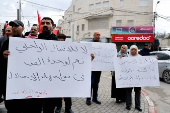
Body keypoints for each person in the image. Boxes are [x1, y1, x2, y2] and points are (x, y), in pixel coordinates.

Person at [0, 20, 42, 113]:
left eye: (17, 26)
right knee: (12, 108)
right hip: (10, 83)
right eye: (13, 26)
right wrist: (3, 56)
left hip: (24, 82)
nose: (14, 28)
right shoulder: (6, 43)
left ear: (23, 28)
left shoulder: (29, 43)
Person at [55, 33, 73, 113]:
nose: (60, 42)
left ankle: (68, 108)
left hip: (67, 75)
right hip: (56, 75)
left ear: (65, 41)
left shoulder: (70, 50)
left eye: (62, 41)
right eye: (58, 41)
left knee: (67, 92)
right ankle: (58, 107)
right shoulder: (53, 50)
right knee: (58, 92)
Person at [86, 31, 102, 106]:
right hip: (91, 68)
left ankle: (95, 98)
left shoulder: (102, 44)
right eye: (97, 35)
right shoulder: (89, 44)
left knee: (96, 84)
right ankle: (88, 99)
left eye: (99, 35)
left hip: (98, 68)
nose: (98, 36)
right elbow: (85, 53)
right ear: (93, 36)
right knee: (90, 83)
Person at [125, 45, 142, 111]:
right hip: (129, 78)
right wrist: (120, 58)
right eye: (132, 49)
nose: (133, 51)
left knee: (137, 92)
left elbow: (147, 63)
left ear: (137, 50)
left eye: (135, 50)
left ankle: (137, 105)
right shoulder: (126, 57)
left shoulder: (140, 57)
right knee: (128, 92)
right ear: (130, 50)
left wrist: (154, 59)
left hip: (137, 78)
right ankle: (128, 105)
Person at [0, 26, 12, 103]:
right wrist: (3, 55)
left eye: (9, 30)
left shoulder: (25, 41)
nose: (7, 32)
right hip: (5, 75)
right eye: (6, 30)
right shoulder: (3, 41)